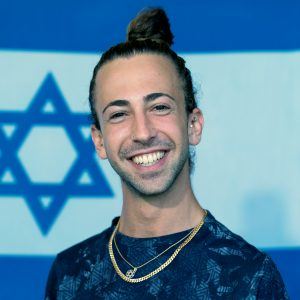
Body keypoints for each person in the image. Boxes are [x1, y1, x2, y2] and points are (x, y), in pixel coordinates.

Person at [45, 8, 289, 299]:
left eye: (159, 107)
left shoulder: (249, 277)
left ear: (193, 125)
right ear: (99, 141)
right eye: (119, 114)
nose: (143, 132)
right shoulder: (70, 272)